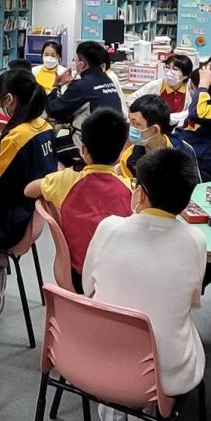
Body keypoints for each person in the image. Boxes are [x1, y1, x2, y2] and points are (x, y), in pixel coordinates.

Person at [84, 148, 206, 421]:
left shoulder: (109, 227)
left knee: (115, 311)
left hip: (95, 357)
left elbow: (87, 286)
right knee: (174, 321)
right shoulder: (196, 240)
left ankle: (112, 413)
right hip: (161, 372)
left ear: (141, 193)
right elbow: (192, 301)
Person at [26, 107, 132, 289]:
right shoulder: (131, 190)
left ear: (84, 150)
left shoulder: (66, 180)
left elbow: (29, 190)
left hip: (75, 276)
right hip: (114, 283)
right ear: (121, 152)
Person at [0, 68, 58, 313]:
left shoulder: (17, 137)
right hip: (30, 216)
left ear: (9, 99)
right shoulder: (44, 127)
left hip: (8, 225)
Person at [45, 40, 122, 132]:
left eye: (76, 60)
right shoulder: (108, 80)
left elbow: (54, 110)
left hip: (89, 138)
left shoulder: (81, 85)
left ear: (82, 65)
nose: (75, 63)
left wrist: (56, 86)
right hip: (113, 136)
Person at [119, 93, 196, 181]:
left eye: (136, 124)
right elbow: (130, 187)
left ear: (155, 129)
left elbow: (194, 185)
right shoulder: (129, 157)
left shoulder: (184, 151)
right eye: (130, 122)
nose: (131, 128)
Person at [129, 53, 193, 120]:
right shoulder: (156, 85)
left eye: (175, 69)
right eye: (167, 67)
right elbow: (130, 100)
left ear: (185, 76)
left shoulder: (189, 89)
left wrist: (169, 118)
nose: (169, 72)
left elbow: (191, 112)